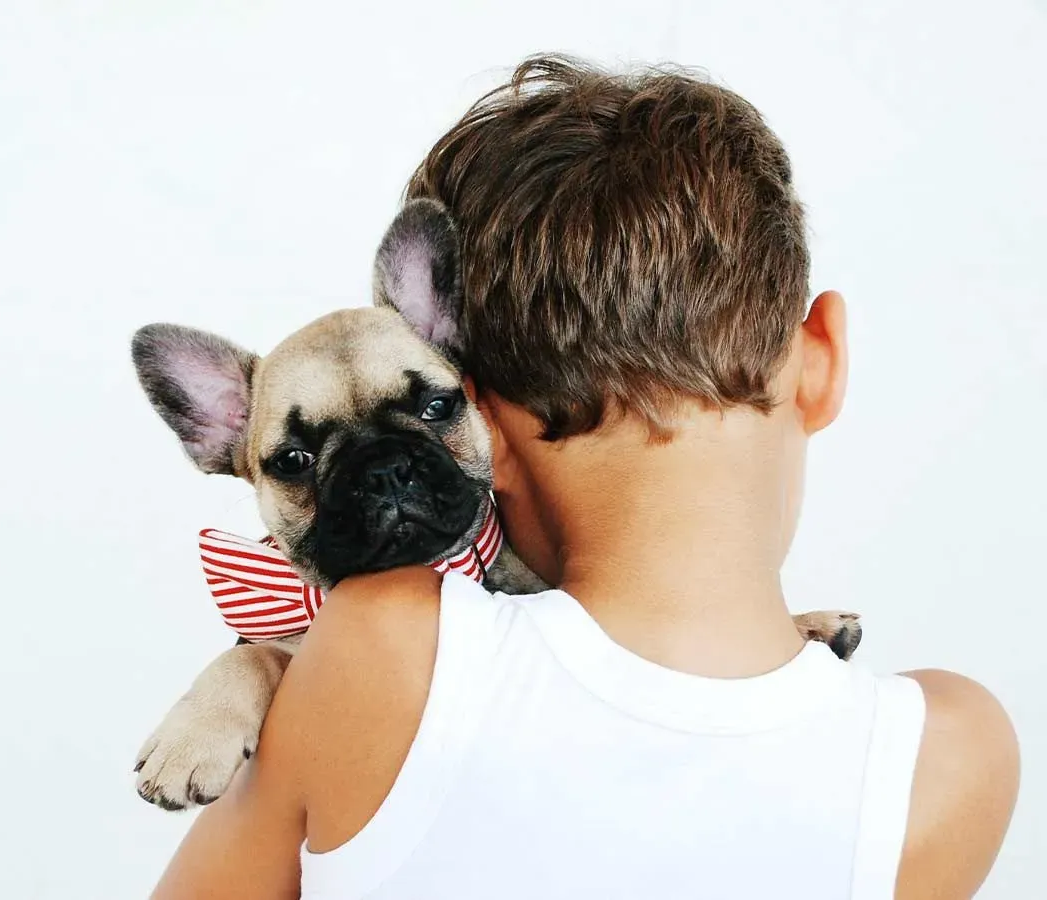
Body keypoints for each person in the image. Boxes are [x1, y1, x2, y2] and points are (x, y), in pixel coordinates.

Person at [151, 56, 1019, 899]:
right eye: (301, 461)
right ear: (823, 359)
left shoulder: (378, 641)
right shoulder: (953, 753)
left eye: (424, 411)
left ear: (481, 404)